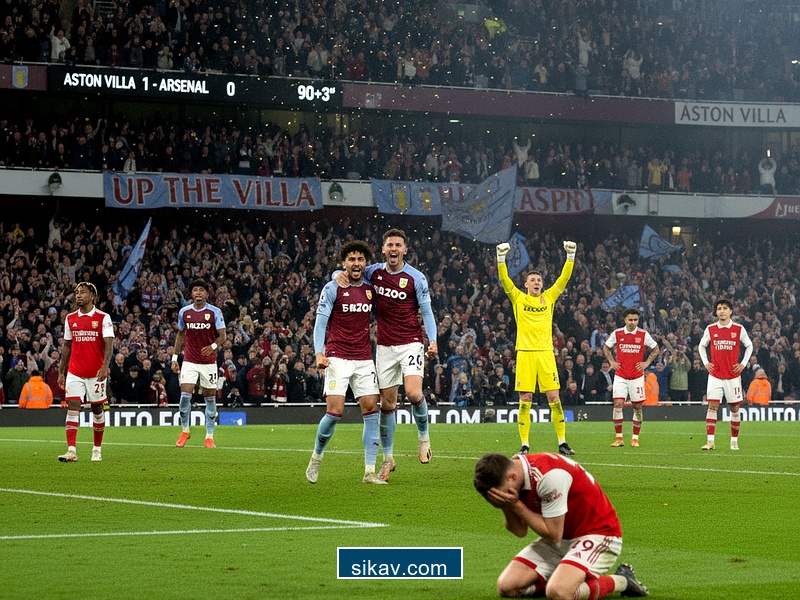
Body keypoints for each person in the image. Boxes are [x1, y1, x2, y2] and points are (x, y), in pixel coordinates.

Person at [335, 228, 438, 481]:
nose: (393, 248)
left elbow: (427, 312)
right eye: (389, 244)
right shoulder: (374, 272)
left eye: (398, 245)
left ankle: (423, 438)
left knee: (414, 393)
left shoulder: (416, 278)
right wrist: (336, 274)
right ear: (383, 250)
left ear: (404, 250)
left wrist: (432, 340)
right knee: (387, 405)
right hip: (384, 347)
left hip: (410, 344)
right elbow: (350, 272)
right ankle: (388, 459)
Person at [473, 452, 649, 599]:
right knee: (507, 587)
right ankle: (564, 576)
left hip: (598, 534)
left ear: (512, 477)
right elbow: (520, 531)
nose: (501, 498)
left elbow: (552, 534)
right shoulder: (514, 473)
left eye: (502, 494)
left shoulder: (550, 476)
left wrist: (515, 505)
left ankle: (622, 580)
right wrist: (506, 506)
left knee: (559, 593)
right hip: (562, 536)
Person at [305, 240, 384, 485]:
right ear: (344, 263)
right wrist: (319, 352)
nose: (356, 263)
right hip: (337, 357)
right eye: (351, 260)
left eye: (360, 259)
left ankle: (369, 471)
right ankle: (317, 457)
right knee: (335, 411)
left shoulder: (371, 288)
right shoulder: (332, 287)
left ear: (365, 263)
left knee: (371, 407)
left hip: (363, 358)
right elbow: (320, 322)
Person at [496, 240, 576, 456]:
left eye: (539, 280)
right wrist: (501, 259)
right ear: (526, 284)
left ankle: (562, 442)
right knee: (525, 400)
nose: (536, 282)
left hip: (546, 354)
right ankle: (525, 444)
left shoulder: (549, 297)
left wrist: (570, 256)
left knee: (554, 397)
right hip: (524, 354)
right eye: (532, 280)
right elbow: (504, 281)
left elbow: (564, 278)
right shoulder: (518, 298)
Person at [57, 282, 114, 462]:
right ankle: (71, 450)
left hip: (96, 372)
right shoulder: (70, 318)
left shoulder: (103, 317)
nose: (78, 296)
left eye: (82, 293)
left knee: (97, 408)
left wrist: (105, 366)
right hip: (75, 371)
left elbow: (109, 344)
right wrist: (61, 371)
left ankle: (97, 448)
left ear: (92, 296)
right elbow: (67, 345)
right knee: (73, 407)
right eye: (77, 293)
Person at [171, 280, 226, 449]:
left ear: (207, 294)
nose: (198, 293)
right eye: (195, 290)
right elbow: (180, 336)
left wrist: (213, 347)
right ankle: (185, 430)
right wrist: (174, 358)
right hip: (189, 360)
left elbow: (222, 336)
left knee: (210, 398)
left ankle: (209, 436)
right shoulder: (184, 312)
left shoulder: (215, 312)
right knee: (185, 395)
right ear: (191, 294)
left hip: (208, 363)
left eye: (201, 290)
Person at [698, 298, 753, 451]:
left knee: (734, 408)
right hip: (715, 375)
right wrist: (705, 363)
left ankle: (734, 441)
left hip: (733, 376)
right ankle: (710, 442)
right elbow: (701, 346)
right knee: (712, 406)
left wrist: (743, 363)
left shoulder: (738, 329)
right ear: (716, 312)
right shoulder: (710, 329)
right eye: (719, 308)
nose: (721, 311)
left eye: (724, 308)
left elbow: (749, 346)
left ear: (730, 311)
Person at [603, 308, 659, 447]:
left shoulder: (643, 334)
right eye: (630, 320)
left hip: (636, 376)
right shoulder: (618, 333)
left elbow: (656, 348)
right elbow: (606, 347)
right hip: (621, 375)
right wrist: (611, 362)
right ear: (625, 320)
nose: (633, 322)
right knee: (618, 404)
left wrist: (646, 363)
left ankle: (635, 438)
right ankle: (619, 438)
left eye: (635, 320)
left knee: (637, 406)